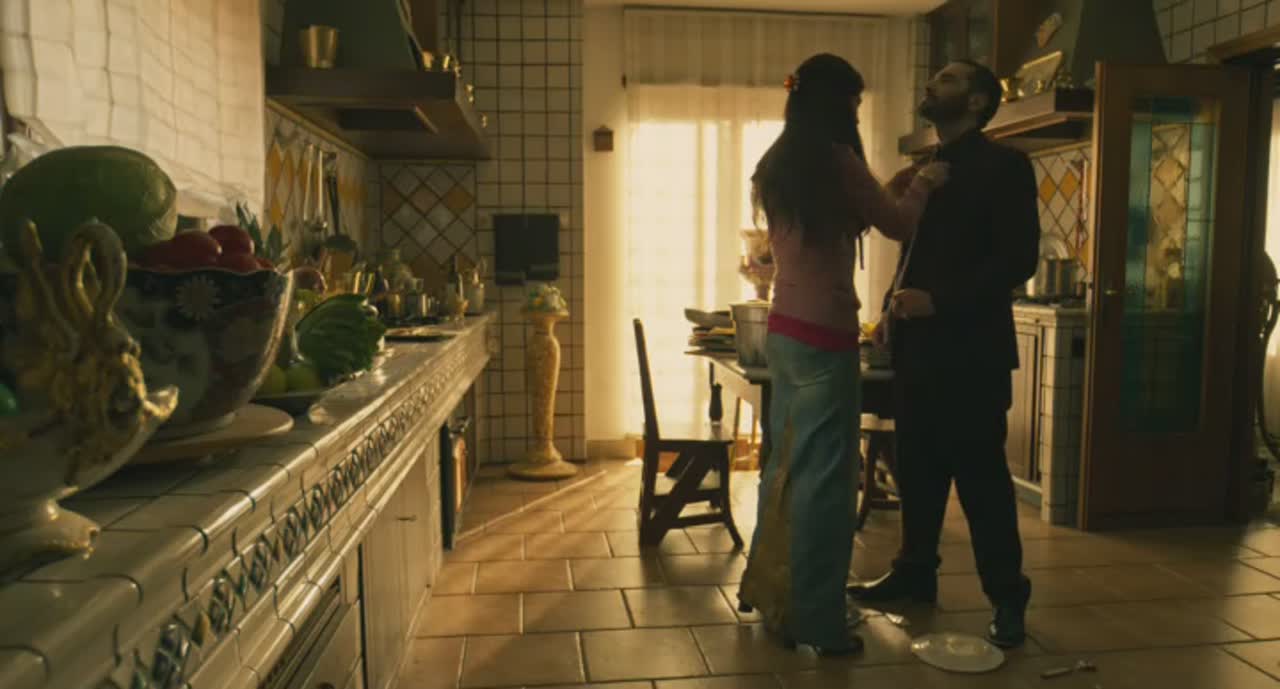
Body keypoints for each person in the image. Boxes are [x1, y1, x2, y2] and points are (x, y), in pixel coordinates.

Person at [737, 53, 949, 655]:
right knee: (828, 486)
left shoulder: (777, 162)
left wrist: (891, 188)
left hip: (784, 331)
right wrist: (926, 183)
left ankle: (777, 597)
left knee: (785, 469)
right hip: (824, 335)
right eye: (853, 103)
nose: (856, 113)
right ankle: (820, 620)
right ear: (835, 104)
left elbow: (838, 221)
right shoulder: (836, 159)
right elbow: (898, 225)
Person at [846, 59, 1041, 649]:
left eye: (949, 80)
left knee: (982, 483)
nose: (932, 84)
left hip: (973, 354)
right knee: (918, 472)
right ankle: (914, 576)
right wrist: (889, 309)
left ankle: (1007, 598)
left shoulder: (1006, 167)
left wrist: (940, 301)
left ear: (979, 102)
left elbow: (1018, 260)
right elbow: (915, 254)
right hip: (917, 349)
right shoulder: (927, 168)